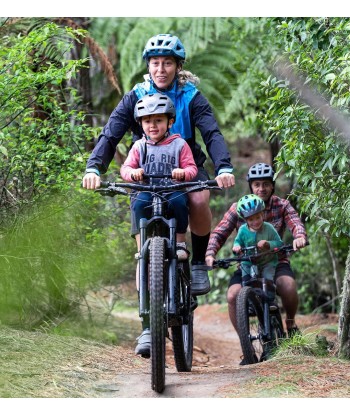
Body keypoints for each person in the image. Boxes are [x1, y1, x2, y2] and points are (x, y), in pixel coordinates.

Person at [82, 33, 235, 296]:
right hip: (145, 170)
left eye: (167, 63)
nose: (160, 69)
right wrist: (94, 167)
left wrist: (223, 167)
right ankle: (147, 324)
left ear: (178, 67)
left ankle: (197, 262)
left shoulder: (190, 96)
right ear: (148, 66)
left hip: (185, 165)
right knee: (142, 250)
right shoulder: (136, 96)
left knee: (198, 201)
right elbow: (111, 132)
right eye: (155, 63)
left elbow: (212, 133)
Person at [120, 92, 197, 356]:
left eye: (158, 120)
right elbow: (126, 168)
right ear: (140, 124)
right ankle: (142, 248)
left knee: (179, 201)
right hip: (148, 195)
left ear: (170, 121)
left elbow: (192, 169)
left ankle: (179, 243)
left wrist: (182, 173)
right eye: (147, 121)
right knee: (137, 203)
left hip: (170, 193)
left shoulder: (179, 145)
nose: (153, 125)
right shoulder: (139, 147)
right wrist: (133, 173)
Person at [205, 162, 308, 346]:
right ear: (251, 186)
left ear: (272, 185)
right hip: (247, 263)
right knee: (232, 295)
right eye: (257, 184)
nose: (262, 188)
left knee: (288, 286)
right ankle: (245, 343)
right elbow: (220, 232)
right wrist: (210, 253)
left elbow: (295, 222)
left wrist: (299, 236)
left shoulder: (281, 205)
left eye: (266, 184)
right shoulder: (240, 207)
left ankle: (291, 324)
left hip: (276, 261)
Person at [233, 194, 283, 288]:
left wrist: (268, 244)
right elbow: (237, 242)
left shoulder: (269, 228)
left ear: (262, 214)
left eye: (257, 217)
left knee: (268, 280)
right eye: (251, 219)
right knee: (246, 282)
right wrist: (237, 247)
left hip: (267, 262)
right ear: (245, 220)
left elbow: (279, 243)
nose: (255, 222)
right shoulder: (243, 230)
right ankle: (247, 298)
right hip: (248, 262)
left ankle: (270, 301)